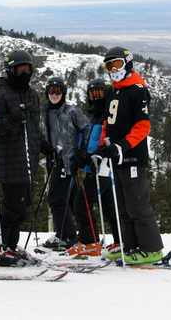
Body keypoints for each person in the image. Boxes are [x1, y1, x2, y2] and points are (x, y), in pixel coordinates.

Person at [96, 46, 164, 265]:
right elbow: (108, 122)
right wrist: (102, 145)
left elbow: (143, 126)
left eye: (116, 64)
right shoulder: (114, 91)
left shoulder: (137, 90)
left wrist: (121, 146)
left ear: (127, 63)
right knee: (123, 206)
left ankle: (151, 249)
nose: (113, 69)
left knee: (137, 205)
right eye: (108, 66)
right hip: (117, 158)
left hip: (132, 156)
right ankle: (130, 245)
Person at [0, 49, 41, 266]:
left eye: (27, 69)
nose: (24, 74)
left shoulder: (32, 94)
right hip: (11, 161)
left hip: (29, 162)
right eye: (19, 70)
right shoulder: (3, 95)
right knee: (11, 208)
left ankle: (9, 245)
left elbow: (35, 128)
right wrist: (14, 118)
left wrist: (46, 147)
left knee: (21, 209)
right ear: (10, 71)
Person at [66, 78, 120, 257]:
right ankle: (121, 240)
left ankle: (90, 243)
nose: (96, 98)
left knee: (82, 202)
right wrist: (81, 156)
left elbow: (106, 141)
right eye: (92, 94)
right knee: (109, 205)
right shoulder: (97, 115)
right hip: (94, 165)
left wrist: (92, 156)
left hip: (101, 166)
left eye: (100, 93)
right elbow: (91, 142)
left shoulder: (107, 115)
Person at [39, 76, 89, 250]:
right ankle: (87, 235)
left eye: (58, 91)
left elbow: (87, 128)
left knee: (56, 199)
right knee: (74, 199)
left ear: (63, 93)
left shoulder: (71, 111)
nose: (54, 94)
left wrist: (82, 152)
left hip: (68, 161)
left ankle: (65, 235)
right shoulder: (44, 111)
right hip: (54, 159)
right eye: (51, 91)